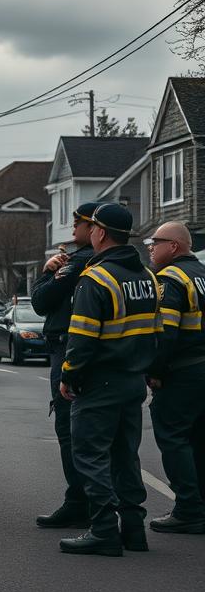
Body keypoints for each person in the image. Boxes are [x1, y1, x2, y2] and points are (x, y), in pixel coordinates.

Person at [58, 203, 159, 556]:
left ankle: (103, 530)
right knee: (125, 457)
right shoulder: (147, 277)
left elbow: (82, 337)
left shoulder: (97, 278)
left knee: (89, 455)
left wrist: (69, 375)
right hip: (134, 381)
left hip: (101, 383)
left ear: (99, 233)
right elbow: (155, 332)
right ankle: (134, 531)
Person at [30, 202, 97, 529]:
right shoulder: (126, 265)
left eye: (77, 224)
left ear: (94, 228)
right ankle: (120, 514)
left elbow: (42, 302)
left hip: (70, 349)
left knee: (70, 431)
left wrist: (46, 272)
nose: (73, 231)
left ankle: (78, 503)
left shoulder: (77, 262)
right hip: (106, 358)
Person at [144, 221, 205, 534]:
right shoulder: (202, 274)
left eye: (155, 242)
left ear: (174, 246)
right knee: (199, 439)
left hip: (183, 372)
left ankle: (189, 510)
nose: (151, 249)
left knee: (174, 437)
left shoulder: (170, 278)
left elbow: (165, 332)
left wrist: (154, 371)